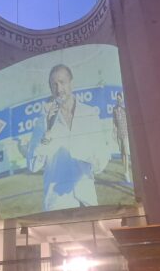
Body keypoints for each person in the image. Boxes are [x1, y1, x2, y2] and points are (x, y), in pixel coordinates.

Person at [27, 64, 109, 211]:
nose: (58, 89)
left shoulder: (89, 114)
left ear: (72, 83)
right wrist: (47, 135)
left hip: (87, 201)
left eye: (62, 82)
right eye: (54, 85)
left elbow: (102, 161)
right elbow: (33, 165)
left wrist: (87, 155)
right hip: (57, 205)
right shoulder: (43, 120)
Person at [112, 92, 131, 182]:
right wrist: (114, 133)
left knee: (126, 153)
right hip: (119, 134)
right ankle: (125, 171)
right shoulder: (114, 109)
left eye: (120, 98)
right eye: (117, 98)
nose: (119, 99)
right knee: (122, 154)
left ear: (122, 98)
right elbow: (114, 122)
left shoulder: (125, 108)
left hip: (126, 133)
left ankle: (127, 172)